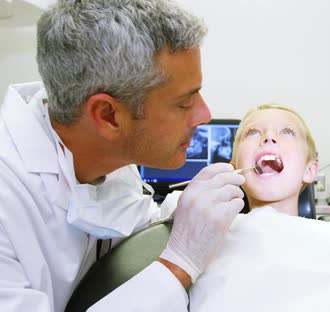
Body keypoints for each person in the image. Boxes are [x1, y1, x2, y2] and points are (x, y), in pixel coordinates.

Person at [0, 0, 247, 311]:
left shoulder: (109, 158)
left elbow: (122, 226)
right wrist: (179, 264)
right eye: (184, 103)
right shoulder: (8, 197)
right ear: (108, 116)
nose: (204, 114)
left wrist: (183, 213)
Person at [188, 104, 330, 311]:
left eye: (287, 131)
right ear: (235, 170)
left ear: (310, 170)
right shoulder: (199, 240)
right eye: (253, 132)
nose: (268, 137)